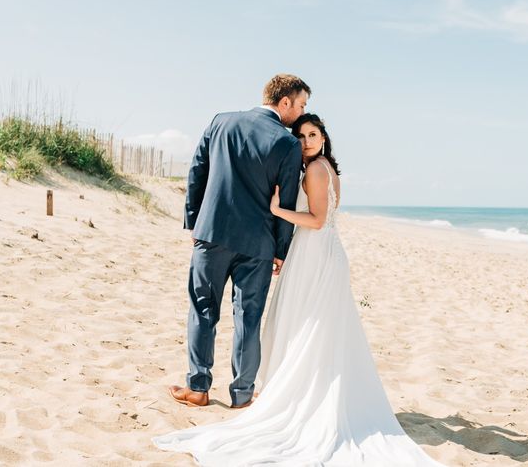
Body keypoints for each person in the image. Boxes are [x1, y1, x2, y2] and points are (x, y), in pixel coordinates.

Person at [153, 114, 445, 466]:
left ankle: (280, 395)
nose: (306, 140)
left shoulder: (318, 170)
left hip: (315, 254)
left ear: (324, 138)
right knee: (312, 326)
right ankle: (266, 393)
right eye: (302, 135)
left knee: (305, 325)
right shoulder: (323, 167)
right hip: (316, 253)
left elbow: (318, 220)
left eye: (313, 134)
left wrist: (278, 210)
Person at [167, 74, 309, 410]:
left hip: (212, 233)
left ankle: (198, 389)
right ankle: (242, 395)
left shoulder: (221, 122)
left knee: (203, 310)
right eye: (301, 104)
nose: (301, 112)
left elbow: (197, 171)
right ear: (284, 101)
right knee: (249, 318)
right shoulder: (287, 144)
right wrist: (280, 250)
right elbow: (285, 202)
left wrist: (194, 221)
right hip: (257, 244)